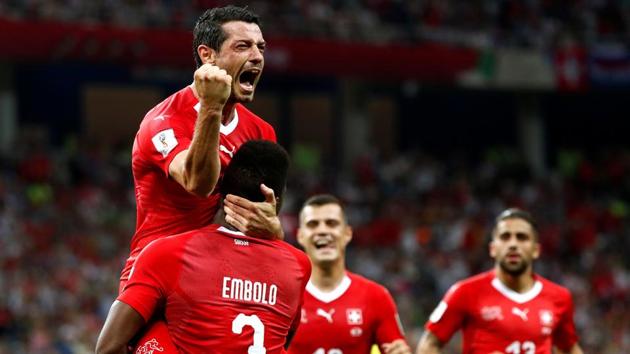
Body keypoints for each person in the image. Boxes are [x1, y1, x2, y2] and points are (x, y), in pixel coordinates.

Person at [96, 140, 312, 354]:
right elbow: (284, 339)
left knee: (150, 333)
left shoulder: (167, 253)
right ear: (277, 199)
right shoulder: (299, 266)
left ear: (219, 188)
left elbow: (108, 347)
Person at [121, 5, 280, 292]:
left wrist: (273, 228)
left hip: (217, 282)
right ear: (208, 55)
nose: (257, 56)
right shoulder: (163, 121)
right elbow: (198, 183)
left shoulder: (261, 132)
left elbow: (255, 219)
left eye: (261, 47)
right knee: (118, 341)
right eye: (243, 46)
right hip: (157, 280)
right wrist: (211, 106)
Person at [416, 208, 584, 354]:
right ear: (493, 249)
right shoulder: (464, 292)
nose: (513, 244)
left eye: (522, 237)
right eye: (505, 237)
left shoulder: (559, 297)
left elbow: (568, 349)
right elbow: (428, 345)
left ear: (536, 250)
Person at [288, 194, 411, 354]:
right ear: (300, 235)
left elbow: (397, 349)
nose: (323, 230)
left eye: (331, 223)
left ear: (348, 233)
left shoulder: (376, 297)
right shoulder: (284, 296)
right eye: (313, 224)